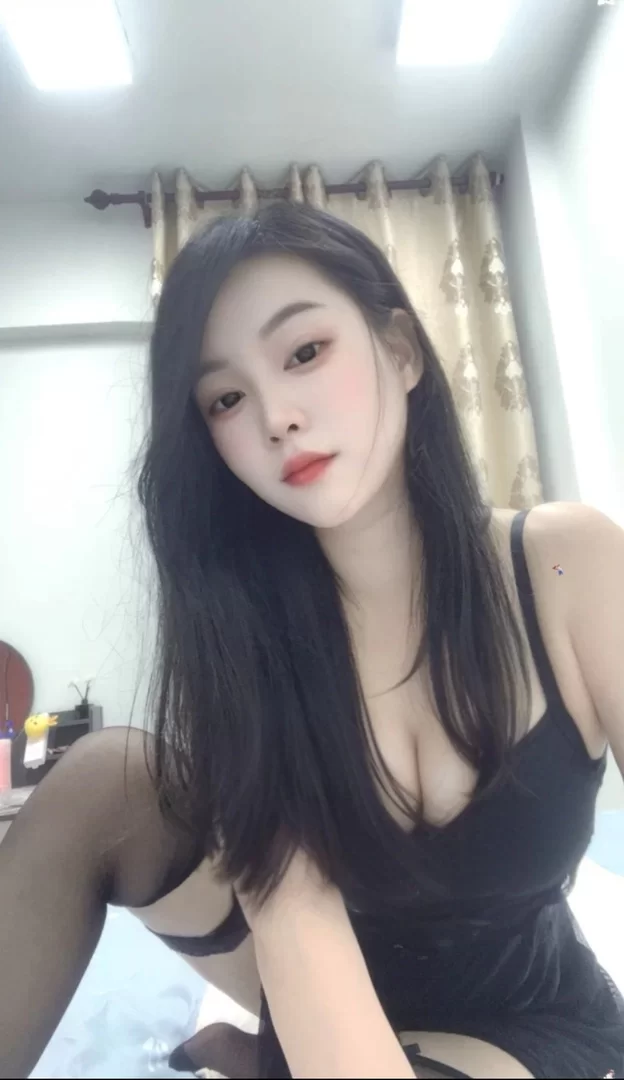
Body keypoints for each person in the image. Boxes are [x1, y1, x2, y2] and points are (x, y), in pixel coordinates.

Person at [1, 202, 623, 1080]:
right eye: (226, 398)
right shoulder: (248, 639)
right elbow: (293, 919)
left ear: (401, 352)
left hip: (514, 1012)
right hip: (317, 973)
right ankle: (273, 1049)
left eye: (304, 352)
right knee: (104, 776)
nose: (276, 417)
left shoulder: (565, 562)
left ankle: (263, 1059)